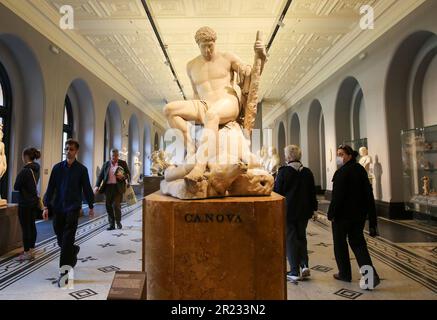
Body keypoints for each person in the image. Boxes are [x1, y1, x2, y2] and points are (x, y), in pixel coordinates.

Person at [163, 26, 267, 184]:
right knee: (169, 109)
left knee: (212, 114)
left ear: (215, 43)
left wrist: (261, 56)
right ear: (197, 45)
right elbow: (196, 94)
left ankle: (200, 165)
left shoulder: (227, 57)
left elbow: (250, 76)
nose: (207, 50)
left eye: (210, 45)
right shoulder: (191, 66)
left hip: (227, 102)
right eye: (203, 46)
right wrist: (195, 122)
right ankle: (191, 149)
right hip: (204, 104)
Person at [328, 145, 380, 289]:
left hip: (342, 216)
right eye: (338, 154)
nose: (340, 157)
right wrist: (371, 218)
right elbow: (369, 195)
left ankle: (344, 273)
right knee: (358, 244)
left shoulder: (342, 172)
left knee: (340, 244)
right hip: (358, 215)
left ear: (350, 155)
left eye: (342, 154)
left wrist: (331, 214)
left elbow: (337, 197)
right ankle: (370, 277)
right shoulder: (360, 170)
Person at [43, 139, 94, 286]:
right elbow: (50, 187)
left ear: (76, 151)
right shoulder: (57, 168)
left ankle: (64, 274)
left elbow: (86, 188)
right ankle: (73, 250)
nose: (68, 151)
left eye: (71, 149)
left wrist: (90, 205)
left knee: (66, 242)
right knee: (61, 240)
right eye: (66, 148)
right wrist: (46, 206)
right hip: (58, 208)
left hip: (73, 208)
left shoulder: (81, 170)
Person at [274, 145, 317, 282]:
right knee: (301, 237)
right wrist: (314, 209)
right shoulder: (307, 172)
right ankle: (304, 265)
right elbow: (312, 193)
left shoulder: (283, 172)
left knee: (291, 239)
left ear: (287, 157)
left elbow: (277, 192)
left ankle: (294, 271)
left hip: (289, 211)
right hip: (304, 211)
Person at [14, 147, 41, 261]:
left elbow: (16, 186)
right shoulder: (36, 169)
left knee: (25, 228)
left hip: (25, 203)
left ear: (26, 156)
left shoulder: (25, 171)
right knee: (31, 225)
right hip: (33, 202)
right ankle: (31, 248)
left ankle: (26, 252)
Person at [94, 148, 131, 230]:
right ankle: (111, 224)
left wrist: (124, 177)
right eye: (112, 156)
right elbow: (100, 176)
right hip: (108, 188)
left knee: (116, 206)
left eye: (115, 156)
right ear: (110, 156)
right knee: (108, 206)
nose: (114, 157)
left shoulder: (122, 163)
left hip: (118, 188)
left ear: (118, 155)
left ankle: (118, 222)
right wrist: (97, 186)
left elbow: (128, 174)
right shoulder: (106, 164)